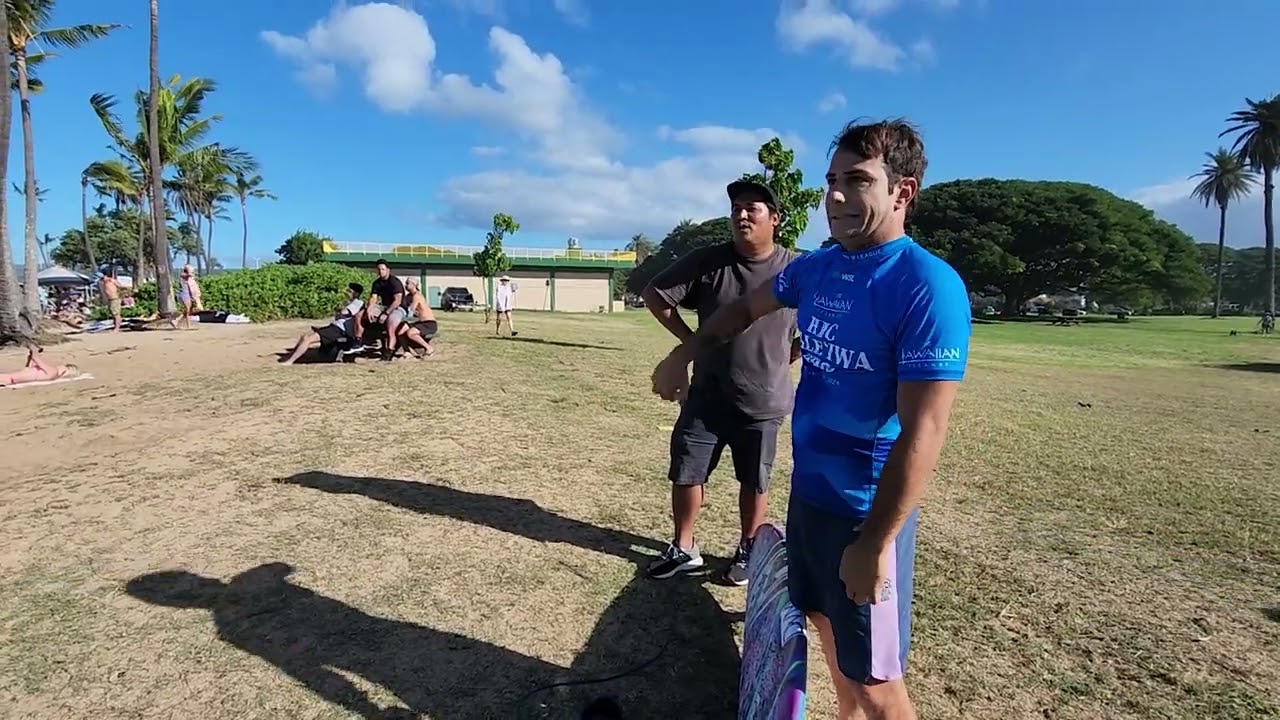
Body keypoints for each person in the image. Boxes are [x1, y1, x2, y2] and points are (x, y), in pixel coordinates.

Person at [652, 119, 972, 720]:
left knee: (877, 683)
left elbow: (923, 432)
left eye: (857, 180)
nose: (836, 196)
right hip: (810, 500)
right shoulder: (818, 269)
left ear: (903, 192)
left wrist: (875, 542)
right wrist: (682, 353)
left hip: (863, 512)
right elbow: (745, 308)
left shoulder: (926, 287)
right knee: (824, 629)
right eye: (831, 181)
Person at [641, 179, 801, 586]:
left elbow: (812, 334)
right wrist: (690, 345)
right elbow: (656, 295)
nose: (742, 215)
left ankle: (748, 548)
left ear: (775, 220)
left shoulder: (796, 270)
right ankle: (684, 547)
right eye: (736, 209)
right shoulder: (708, 261)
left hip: (763, 404)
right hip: (707, 397)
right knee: (687, 472)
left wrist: (783, 359)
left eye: (753, 209)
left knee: (754, 479)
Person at [279, 283, 365, 365]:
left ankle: (290, 361)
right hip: (334, 327)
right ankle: (292, 356)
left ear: (356, 293)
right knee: (304, 336)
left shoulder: (358, 302)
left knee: (308, 339)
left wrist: (340, 312)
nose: (346, 293)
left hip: (339, 330)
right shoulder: (350, 303)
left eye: (349, 291)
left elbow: (344, 312)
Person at [351, 259, 405, 360]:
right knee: (359, 315)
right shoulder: (377, 283)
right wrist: (370, 308)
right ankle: (357, 341)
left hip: (398, 307)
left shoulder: (394, 282)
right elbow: (373, 298)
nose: (380, 271)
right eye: (379, 269)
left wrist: (386, 313)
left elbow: (397, 300)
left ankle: (389, 351)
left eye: (383, 269)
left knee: (390, 323)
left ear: (388, 270)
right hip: (384, 306)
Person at [2, 345, 81, 387]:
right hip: (9, 380)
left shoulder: (53, 371)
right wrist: (31, 356)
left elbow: (35, 358)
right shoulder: (51, 374)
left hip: (8, 378)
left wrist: (33, 348)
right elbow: (28, 369)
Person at [397, 278, 438, 358]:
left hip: (429, 323)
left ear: (414, 285)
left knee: (410, 333)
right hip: (419, 322)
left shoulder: (417, 296)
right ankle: (407, 352)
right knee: (400, 331)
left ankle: (429, 348)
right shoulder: (409, 296)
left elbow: (410, 311)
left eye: (407, 283)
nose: (405, 285)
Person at [172, 264, 203, 330]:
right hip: (184, 294)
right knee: (187, 310)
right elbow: (185, 275)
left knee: (189, 310)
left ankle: (185, 324)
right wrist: (191, 274)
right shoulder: (184, 275)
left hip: (188, 294)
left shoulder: (189, 277)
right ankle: (176, 321)